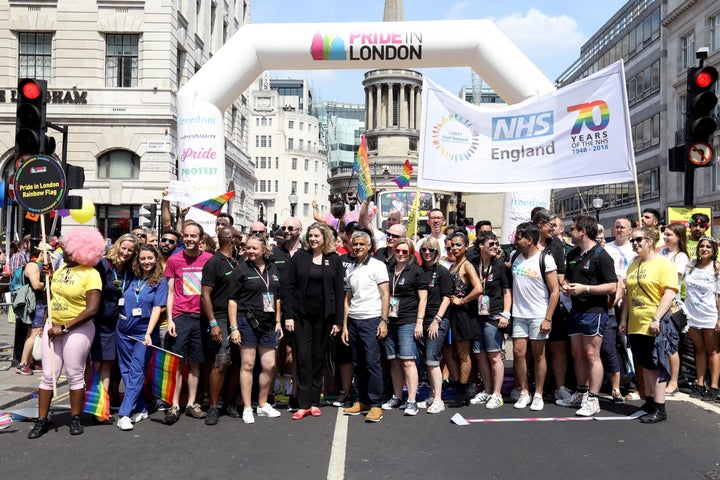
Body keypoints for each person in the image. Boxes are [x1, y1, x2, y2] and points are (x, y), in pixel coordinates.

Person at [28, 228, 105, 439]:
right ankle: (41, 420)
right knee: (47, 375)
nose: (63, 252)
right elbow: (52, 296)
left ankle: (75, 418)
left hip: (77, 330)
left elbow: (92, 309)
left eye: (69, 250)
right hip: (53, 327)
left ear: (81, 252)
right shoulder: (61, 268)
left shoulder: (91, 274)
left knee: (74, 374)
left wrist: (63, 328)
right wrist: (50, 277)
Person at [284, 223, 345, 419]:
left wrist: (338, 321)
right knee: (303, 358)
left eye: (317, 236)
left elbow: (339, 291)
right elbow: (288, 288)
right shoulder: (299, 257)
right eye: (310, 236)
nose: (313, 239)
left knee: (318, 359)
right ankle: (302, 404)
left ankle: (314, 401)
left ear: (324, 237)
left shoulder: (334, 259)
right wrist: (289, 316)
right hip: (301, 317)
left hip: (324, 318)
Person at [558, 215, 617, 416]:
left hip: (594, 311)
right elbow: (567, 278)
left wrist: (586, 289)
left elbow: (613, 286)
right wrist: (566, 286)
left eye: (573, 229)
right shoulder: (574, 253)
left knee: (592, 354)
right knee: (577, 354)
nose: (570, 233)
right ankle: (581, 392)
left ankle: (593, 398)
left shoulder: (602, 255)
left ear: (583, 231)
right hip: (576, 310)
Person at [620, 227, 679, 424]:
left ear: (650, 240)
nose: (635, 244)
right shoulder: (633, 264)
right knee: (644, 365)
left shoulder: (663, 264)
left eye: (638, 240)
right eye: (632, 241)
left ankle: (660, 408)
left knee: (656, 365)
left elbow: (669, 293)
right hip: (636, 323)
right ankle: (650, 401)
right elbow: (628, 295)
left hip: (654, 322)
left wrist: (656, 318)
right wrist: (623, 319)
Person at [228, 234, 284, 424]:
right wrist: (234, 327)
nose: (250, 251)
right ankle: (247, 407)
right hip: (247, 322)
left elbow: (276, 297)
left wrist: (278, 322)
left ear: (263, 249)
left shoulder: (272, 268)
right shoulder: (241, 270)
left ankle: (262, 404)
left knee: (269, 365)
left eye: (254, 248)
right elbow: (232, 300)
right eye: (248, 248)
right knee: (248, 364)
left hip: (268, 323)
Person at [163, 222, 213, 424]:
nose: (190, 239)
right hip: (181, 317)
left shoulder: (209, 260)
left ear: (201, 239)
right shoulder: (174, 261)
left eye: (194, 236)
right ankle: (174, 405)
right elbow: (171, 292)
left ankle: (192, 403)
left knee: (195, 362)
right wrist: (170, 320)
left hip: (201, 319)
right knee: (177, 363)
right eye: (187, 236)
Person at [116, 245, 168, 431]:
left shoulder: (160, 282)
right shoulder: (133, 277)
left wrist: (148, 332)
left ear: (156, 259)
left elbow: (157, 308)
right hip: (122, 330)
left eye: (150, 258)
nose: (146, 262)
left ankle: (124, 414)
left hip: (143, 333)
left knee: (137, 371)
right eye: (143, 259)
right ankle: (141, 408)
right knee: (126, 370)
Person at [509, 222, 559, 411]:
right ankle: (524, 391)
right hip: (519, 314)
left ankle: (538, 393)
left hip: (539, 314)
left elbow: (555, 291)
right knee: (518, 353)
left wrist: (548, 318)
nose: (515, 241)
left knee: (539, 355)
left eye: (518, 238)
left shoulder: (546, 259)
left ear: (529, 240)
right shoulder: (515, 256)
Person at [342, 230, 389, 423]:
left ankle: (376, 404)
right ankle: (362, 401)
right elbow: (348, 298)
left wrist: (383, 320)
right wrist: (345, 325)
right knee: (358, 363)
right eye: (355, 244)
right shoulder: (350, 268)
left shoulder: (378, 266)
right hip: (354, 320)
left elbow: (385, 294)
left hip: (371, 319)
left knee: (372, 362)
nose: (358, 247)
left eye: (362, 244)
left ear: (369, 246)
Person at [381, 238, 427, 416]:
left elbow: (423, 298)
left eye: (404, 252)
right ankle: (397, 397)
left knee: (408, 360)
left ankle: (412, 400)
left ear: (410, 254)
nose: (400, 254)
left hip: (408, 320)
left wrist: (419, 322)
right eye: (398, 250)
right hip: (390, 320)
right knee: (394, 360)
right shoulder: (388, 269)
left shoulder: (416, 271)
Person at [200, 226, 241, 425]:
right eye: (237, 237)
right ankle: (213, 406)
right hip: (221, 317)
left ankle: (230, 403)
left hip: (240, 316)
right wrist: (213, 322)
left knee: (237, 361)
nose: (240, 240)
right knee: (222, 360)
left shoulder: (238, 261)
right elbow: (205, 294)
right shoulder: (214, 263)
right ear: (229, 239)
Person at [93, 233, 138, 409]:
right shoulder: (103, 265)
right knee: (96, 362)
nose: (125, 252)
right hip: (99, 321)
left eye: (130, 250)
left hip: (117, 322)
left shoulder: (130, 270)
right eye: (123, 248)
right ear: (117, 245)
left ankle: (101, 405)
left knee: (108, 362)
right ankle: (90, 400)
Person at [468, 231, 511, 410]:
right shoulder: (472, 265)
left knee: (494, 355)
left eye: (496, 244)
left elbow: (507, 292)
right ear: (481, 246)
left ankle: (497, 393)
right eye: (491, 244)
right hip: (476, 315)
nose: (495, 247)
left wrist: (506, 314)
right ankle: (486, 389)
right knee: (480, 355)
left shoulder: (500, 265)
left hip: (494, 314)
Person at [532, 209, 570, 402]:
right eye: (551, 225)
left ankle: (560, 387)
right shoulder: (527, 242)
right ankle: (531, 387)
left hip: (552, 306)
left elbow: (561, 275)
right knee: (532, 350)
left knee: (557, 347)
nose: (554, 229)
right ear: (540, 225)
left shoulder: (556, 245)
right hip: (529, 306)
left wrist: (562, 287)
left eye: (555, 226)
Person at [444, 232, 483, 408]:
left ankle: (462, 390)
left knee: (463, 353)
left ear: (466, 246)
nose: (454, 248)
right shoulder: (453, 266)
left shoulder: (467, 266)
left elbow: (478, 288)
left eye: (458, 245)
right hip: (451, 314)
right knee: (447, 351)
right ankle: (459, 384)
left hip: (464, 314)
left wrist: (463, 300)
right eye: (452, 245)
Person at [417, 237, 452, 413]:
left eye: (431, 250)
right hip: (421, 320)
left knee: (432, 359)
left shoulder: (442, 272)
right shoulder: (418, 270)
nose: (428, 253)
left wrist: (437, 320)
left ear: (437, 252)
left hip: (437, 320)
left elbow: (447, 297)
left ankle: (439, 399)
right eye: (424, 250)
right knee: (427, 361)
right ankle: (432, 395)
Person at [684, 236, 720, 401]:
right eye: (702, 246)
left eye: (708, 247)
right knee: (699, 350)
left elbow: (719, 296)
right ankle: (699, 384)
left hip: (710, 315)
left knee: (713, 351)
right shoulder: (691, 266)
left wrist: (719, 318)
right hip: (692, 315)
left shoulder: (716, 268)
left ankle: (713, 386)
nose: (704, 249)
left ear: (714, 251)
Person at [658, 222, 690, 396]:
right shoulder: (661, 252)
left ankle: (674, 381)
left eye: (670, 234)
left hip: (671, 302)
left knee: (671, 344)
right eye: (665, 234)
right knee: (659, 343)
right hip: (656, 300)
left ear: (678, 236)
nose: (666, 237)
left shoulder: (681, 256)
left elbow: (672, 276)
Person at [16, 242, 53, 375]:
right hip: (36, 303)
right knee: (35, 333)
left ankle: (30, 362)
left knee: (33, 332)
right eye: (48, 255)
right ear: (42, 253)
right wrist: (49, 282)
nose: (50, 259)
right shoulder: (32, 266)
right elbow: (36, 285)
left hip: (40, 303)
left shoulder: (40, 266)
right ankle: (23, 364)